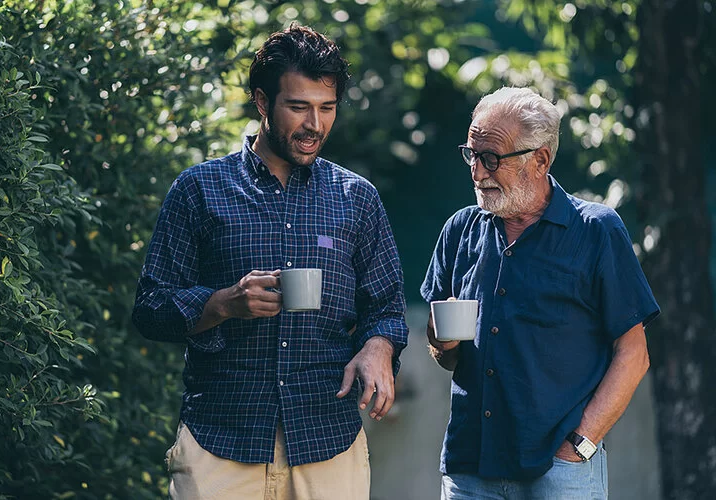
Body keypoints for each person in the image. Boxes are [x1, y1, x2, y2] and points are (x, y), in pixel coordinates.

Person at [132, 24, 408, 500]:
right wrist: (222, 303)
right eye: (298, 107)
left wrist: (379, 347)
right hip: (221, 443)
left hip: (328, 442)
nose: (315, 125)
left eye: (327, 108)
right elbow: (150, 309)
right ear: (262, 102)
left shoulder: (357, 199)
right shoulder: (199, 190)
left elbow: (386, 306)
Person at [420, 87, 660, 499]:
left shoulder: (596, 230)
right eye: (471, 155)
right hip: (470, 465)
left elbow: (634, 353)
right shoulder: (459, 230)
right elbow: (444, 353)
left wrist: (581, 445)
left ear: (540, 160)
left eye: (491, 158)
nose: (477, 172)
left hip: (560, 469)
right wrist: (441, 341)